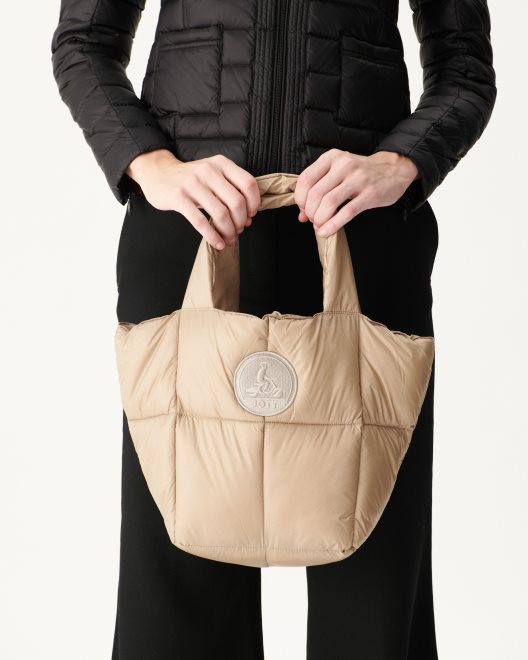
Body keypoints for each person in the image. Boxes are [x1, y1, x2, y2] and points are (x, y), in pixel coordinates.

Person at [51, 0, 496, 657]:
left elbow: (465, 68)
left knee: (373, 601)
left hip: (362, 240)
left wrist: (398, 163)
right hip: (192, 236)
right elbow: (84, 42)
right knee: (175, 604)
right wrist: (153, 166)